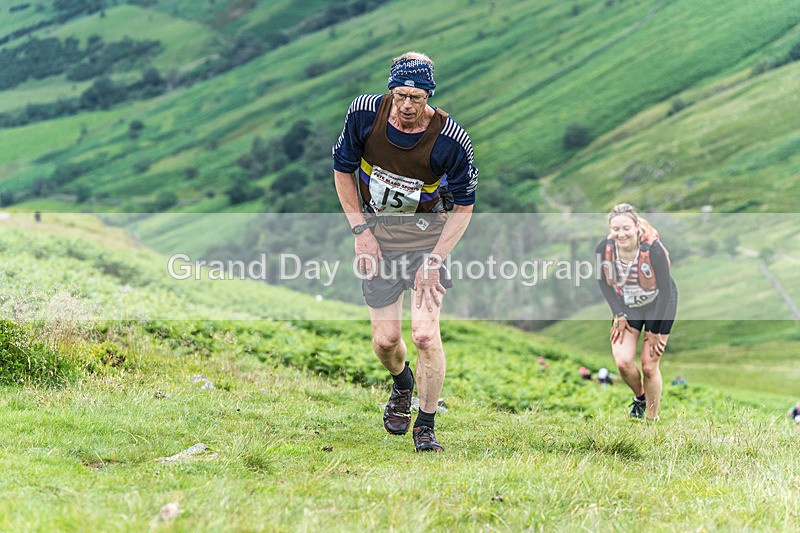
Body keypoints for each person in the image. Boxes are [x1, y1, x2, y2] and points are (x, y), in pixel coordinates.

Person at [333, 52, 478, 452]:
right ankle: (402, 384)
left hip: (427, 244)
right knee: (385, 341)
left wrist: (435, 260)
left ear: (429, 95)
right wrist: (361, 231)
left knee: (425, 335)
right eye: (400, 96)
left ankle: (426, 425)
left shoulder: (451, 140)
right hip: (377, 240)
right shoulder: (364, 114)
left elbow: (464, 206)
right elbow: (342, 169)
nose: (408, 105)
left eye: (416, 97)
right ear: (390, 91)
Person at [596, 203, 678, 421]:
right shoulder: (604, 249)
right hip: (627, 306)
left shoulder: (653, 250)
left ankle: (652, 419)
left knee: (649, 366)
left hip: (659, 304)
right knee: (622, 362)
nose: (621, 234)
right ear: (610, 229)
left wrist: (654, 330)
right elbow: (603, 282)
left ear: (636, 227)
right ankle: (640, 398)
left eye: (626, 228)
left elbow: (665, 289)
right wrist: (618, 313)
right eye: (616, 229)